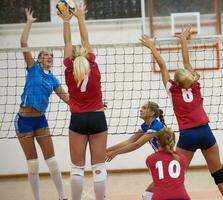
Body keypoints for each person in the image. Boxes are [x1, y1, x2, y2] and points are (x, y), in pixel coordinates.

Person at [140, 26, 223, 200]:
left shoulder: (172, 90)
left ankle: (149, 196)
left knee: (174, 174)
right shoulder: (195, 86)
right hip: (206, 132)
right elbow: (187, 63)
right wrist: (184, 39)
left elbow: (162, 65)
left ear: (175, 81)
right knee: (218, 173)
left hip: (188, 135)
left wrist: (152, 47)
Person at [15, 8, 69, 200]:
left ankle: (62, 197)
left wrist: (90, 103)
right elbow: (23, 43)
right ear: (38, 59)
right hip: (24, 121)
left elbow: (68, 98)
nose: (49, 57)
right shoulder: (33, 69)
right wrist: (29, 21)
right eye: (45, 55)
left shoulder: (53, 79)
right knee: (33, 165)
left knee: (52, 162)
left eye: (51, 56)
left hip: (40, 121)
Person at [58, 3, 108, 200]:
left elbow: (67, 42)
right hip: (97, 118)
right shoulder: (93, 65)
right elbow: (85, 38)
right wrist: (79, 17)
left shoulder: (69, 68)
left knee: (77, 168)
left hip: (77, 119)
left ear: (72, 57)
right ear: (86, 56)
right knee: (99, 168)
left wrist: (65, 21)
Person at [105, 101, 165, 200]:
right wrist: (107, 150)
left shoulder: (156, 127)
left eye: (144, 108)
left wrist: (115, 153)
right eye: (142, 107)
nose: (141, 109)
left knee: (148, 195)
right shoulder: (145, 126)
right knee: (153, 194)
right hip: (161, 161)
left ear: (152, 113)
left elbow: (136, 144)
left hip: (165, 161)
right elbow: (129, 141)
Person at [146, 127, 190, 200]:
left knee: (146, 195)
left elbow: (154, 176)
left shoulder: (150, 159)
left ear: (157, 142)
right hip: (183, 197)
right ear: (173, 142)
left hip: (160, 197)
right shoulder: (182, 158)